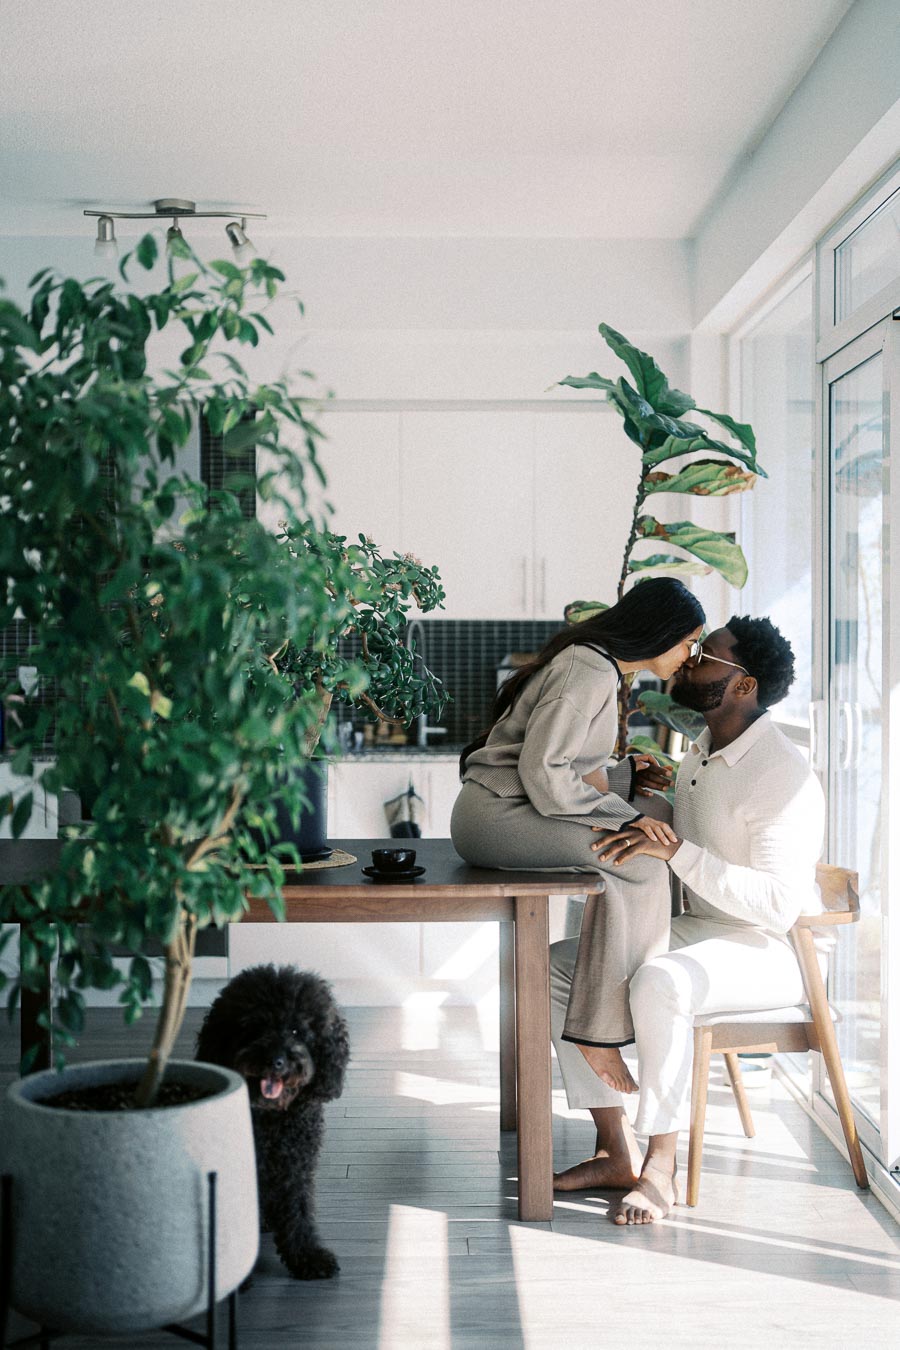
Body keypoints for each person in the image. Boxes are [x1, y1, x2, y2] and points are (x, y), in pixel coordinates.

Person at [549, 616, 826, 1226]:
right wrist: (652, 801)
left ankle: (661, 1164)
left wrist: (675, 850)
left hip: (765, 950)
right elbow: (702, 833)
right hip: (703, 929)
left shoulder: (783, 776)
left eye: (706, 655)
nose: (689, 659)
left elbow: (779, 906)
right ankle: (613, 1150)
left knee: (660, 981)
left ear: (743, 686)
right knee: (559, 966)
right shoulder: (706, 749)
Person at [451, 577, 705, 1092]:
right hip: (494, 816)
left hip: (508, 807)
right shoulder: (587, 669)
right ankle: (599, 1029)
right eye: (689, 642)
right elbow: (544, 774)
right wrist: (625, 819)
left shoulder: (598, 668)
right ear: (662, 631)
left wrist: (623, 781)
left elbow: (555, 766)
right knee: (639, 859)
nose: (691, 656)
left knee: (647, 838)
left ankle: (611, 1017)